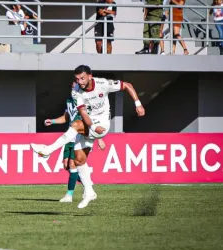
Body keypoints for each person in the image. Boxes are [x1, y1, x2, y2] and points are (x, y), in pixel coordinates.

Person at [31, 65, 145, 209]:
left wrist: (138, 104)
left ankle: (48, 150)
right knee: (79, 160)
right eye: (77, 79)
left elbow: (127, 85)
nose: (80, 82)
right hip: (90, 125)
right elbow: (84, 114)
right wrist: (91, 127)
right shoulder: (76, 91)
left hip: (102, 125)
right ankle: (90, 192)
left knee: (75, 125)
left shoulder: (103, 84)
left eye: (82, 78)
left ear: (90, 76)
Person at [43, 92, 106, 203]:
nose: (74, 90)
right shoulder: (69, 101)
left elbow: (91, 122)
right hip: (69, 137)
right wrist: (52, 121)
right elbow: (66, 117)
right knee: (66, 165)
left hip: (79, 137)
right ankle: (87, 183)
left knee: (73, 164)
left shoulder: (85, 102)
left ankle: (69, 195)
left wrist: (99, 138)